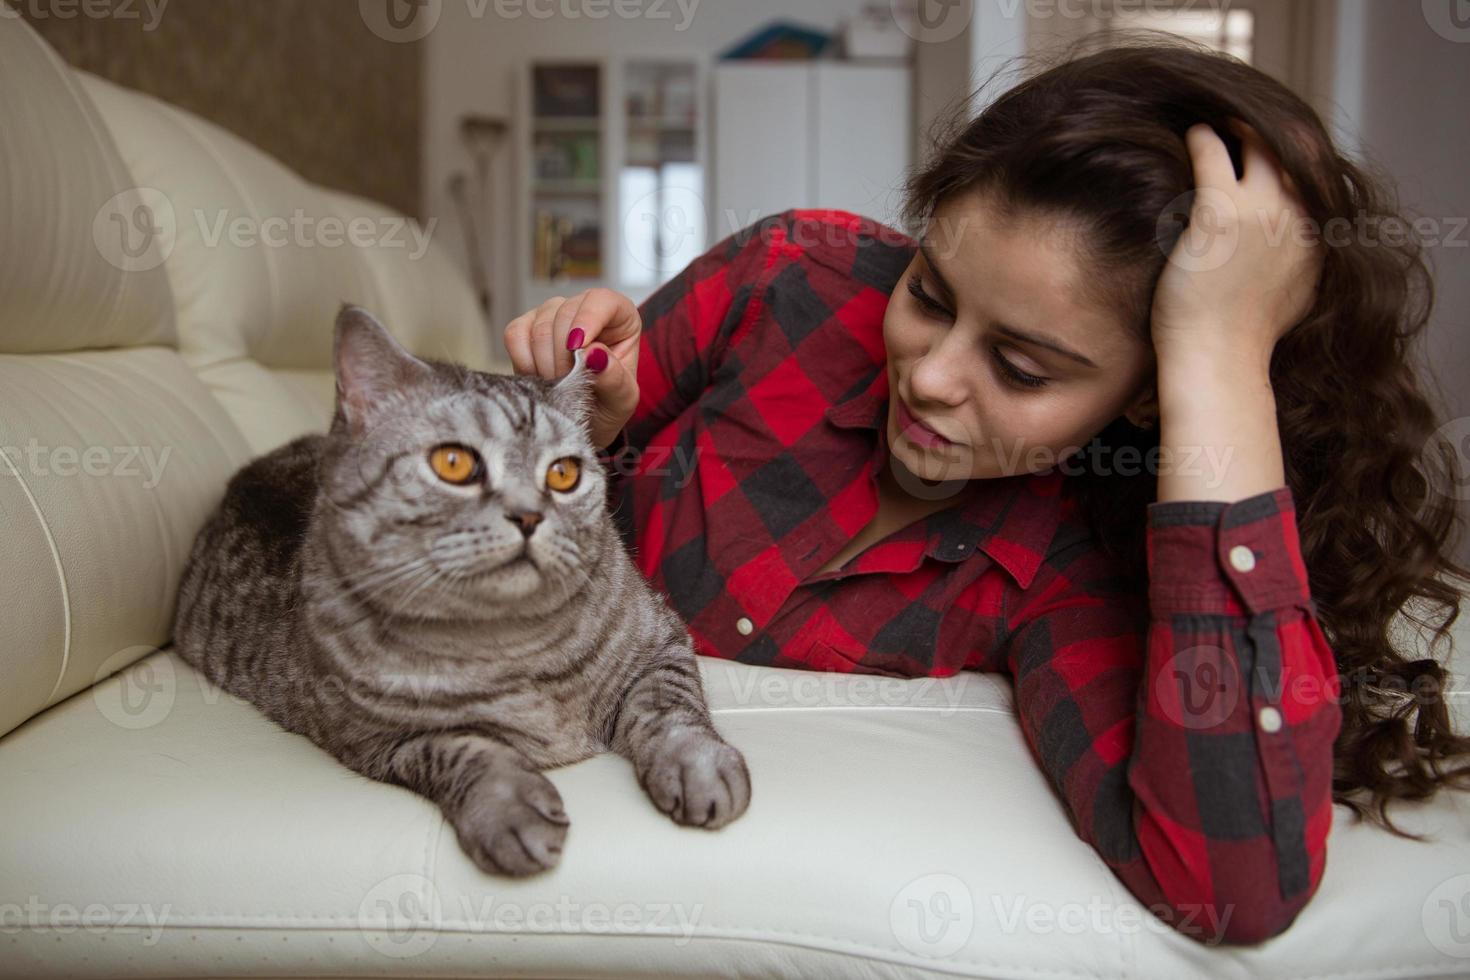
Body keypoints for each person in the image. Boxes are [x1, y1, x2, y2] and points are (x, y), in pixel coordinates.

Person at [502, 36, 1470, 946]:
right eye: (928, 293)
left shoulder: (1077, 562)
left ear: (1144, 393)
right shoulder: (791, 277)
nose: (929, 376)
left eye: (1021, 365)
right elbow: (485, 492)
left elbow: (1231, 881)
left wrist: (1220, 356)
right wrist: (592, 424)